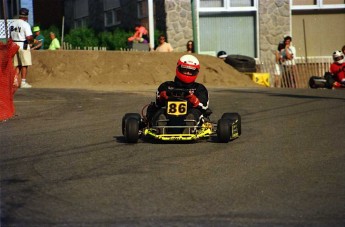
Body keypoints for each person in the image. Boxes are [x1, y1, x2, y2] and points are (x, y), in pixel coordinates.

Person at [148, 55, 209, 131]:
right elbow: (157, 104)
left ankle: (189, 125)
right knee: (160, 112)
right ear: (178, 69)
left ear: (195, 72)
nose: (187, 73)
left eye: (191, 71)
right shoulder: (166, 86)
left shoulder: (199, 88)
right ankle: (161, 125)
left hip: (190, 111)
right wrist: (162, 97)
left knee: (195, 113)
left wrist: (195, 100)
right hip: (167, 114)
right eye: (184, 70)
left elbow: (204, 106)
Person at [9, 8, 34, 88]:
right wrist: (33, 41)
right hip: (23, 45)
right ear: (26, 16)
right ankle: (23, 82)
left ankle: (14, 81)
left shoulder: (12, 24)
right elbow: (29, 37)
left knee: (17, 64)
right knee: (24, 64)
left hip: (14, 44)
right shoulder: (25, 24)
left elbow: (10, 36)